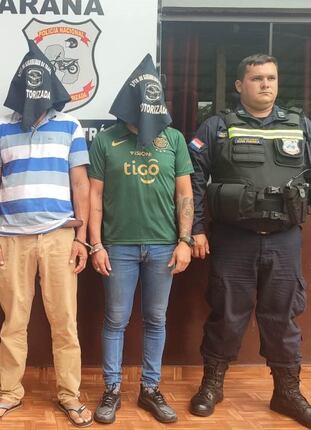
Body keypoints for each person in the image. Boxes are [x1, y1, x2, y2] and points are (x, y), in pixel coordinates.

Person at [187, 54, 311, 430]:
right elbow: (192, 178)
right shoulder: (217, 127)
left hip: (284, 240)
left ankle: (287, 393)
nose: (265, 84)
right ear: (239, 85)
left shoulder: (300, 126)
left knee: (283, 317)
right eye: (256, 78)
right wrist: (194, 228)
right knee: (226, 314)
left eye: (271, 78)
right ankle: (212, 385)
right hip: (233, 240)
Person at [0, 41, 92, 428]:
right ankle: (9, 393)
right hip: (11, 238)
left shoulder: (70, 126)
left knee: (65, 321)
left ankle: (70, 395)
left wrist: (81, 239)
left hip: (60, 237)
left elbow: (81, 184)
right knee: (13, 322)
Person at [88, 54, 193, 425]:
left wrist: (185, 240)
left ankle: (150, 389)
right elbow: (94, 196)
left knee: (156, 319)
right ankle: (112, 389)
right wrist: (96, 244)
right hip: (118, 246)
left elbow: (185, 193)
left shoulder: (174, 139)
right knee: (116, 319)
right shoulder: (105, 140)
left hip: (164, 246)